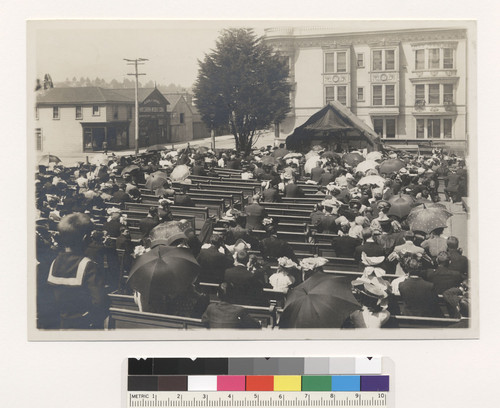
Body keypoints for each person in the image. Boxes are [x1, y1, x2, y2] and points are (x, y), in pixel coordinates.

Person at [47, 213, 108, 329]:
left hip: (61, 325)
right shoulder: (88, 265)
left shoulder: (54, 262)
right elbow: (100, 303)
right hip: (83, 326)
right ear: (85, 238)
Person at [397, 253, 443, 317]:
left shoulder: (402, 285)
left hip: (408, 318)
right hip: (425, 317)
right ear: (420, 269)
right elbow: (435, 302)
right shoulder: (429, 286)